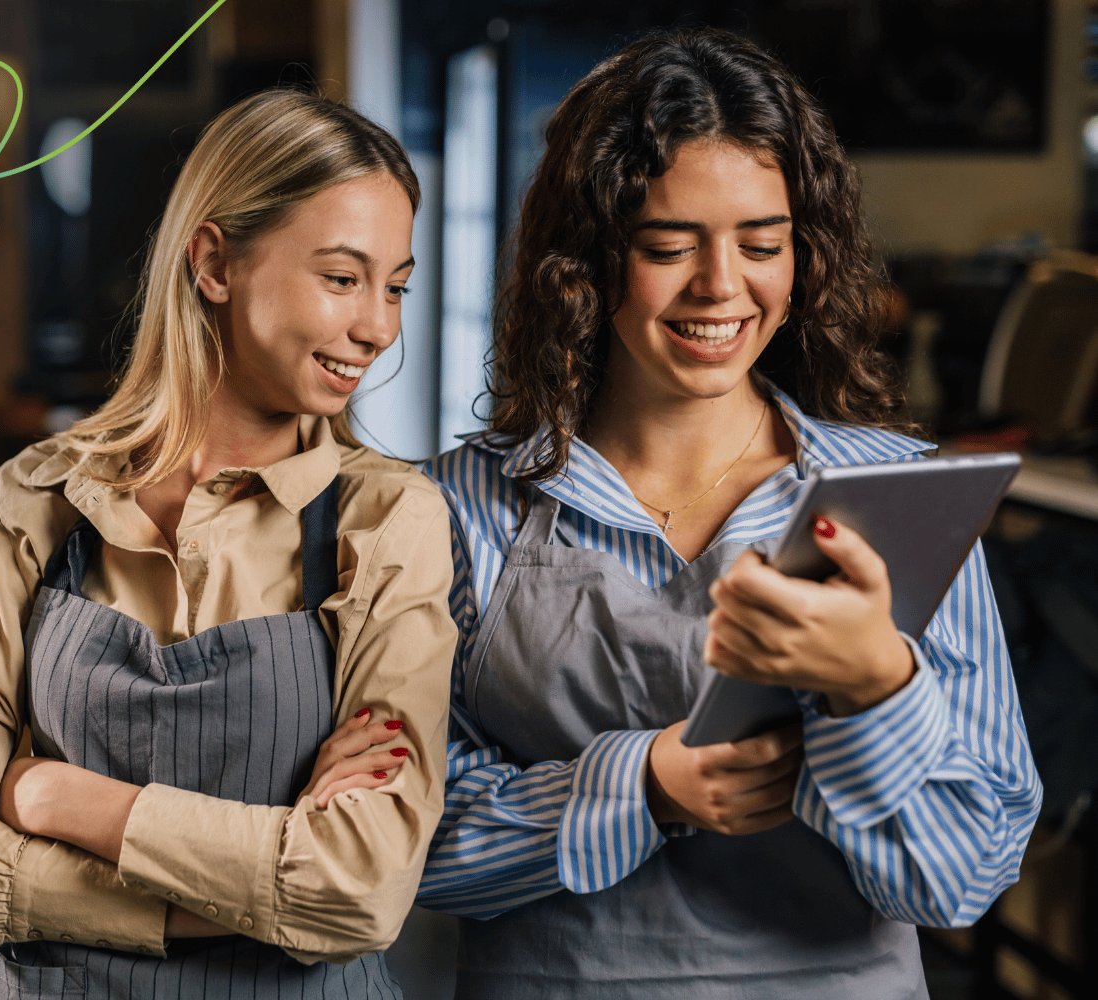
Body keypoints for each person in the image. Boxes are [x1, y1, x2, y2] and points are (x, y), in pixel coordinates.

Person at [417, 28, 1042, 1000]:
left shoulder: (900, 499)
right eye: (667, 246)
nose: (720, 287)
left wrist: (875, 689)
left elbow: (961, 880)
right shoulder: (460, 508)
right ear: (582, 260)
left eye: (762, 244)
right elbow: (398, 850)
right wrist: (640, 789)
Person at [0, 90, 457, 999]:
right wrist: (246, 889)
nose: (379, 328)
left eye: (395, 285)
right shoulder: (35, 502)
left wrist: (60, 802)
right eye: (343, 278)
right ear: (214, 262)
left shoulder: (387, 519)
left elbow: (361, 891)